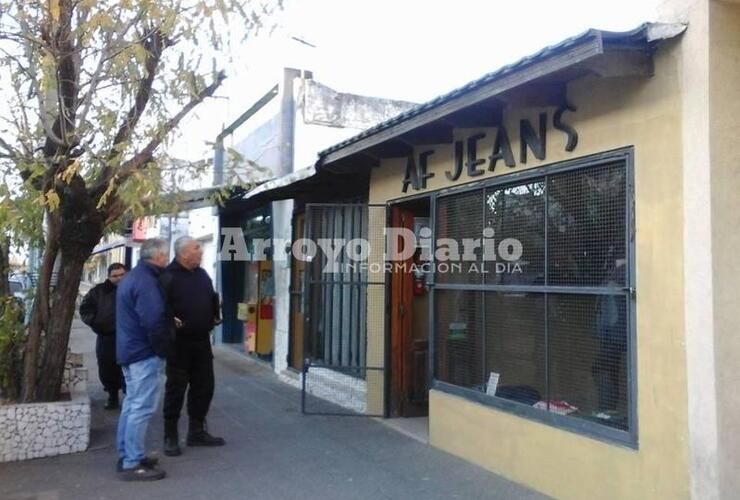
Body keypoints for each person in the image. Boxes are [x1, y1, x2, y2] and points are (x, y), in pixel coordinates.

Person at [160, 236, 224, 457]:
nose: (201, 251)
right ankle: (170, 435)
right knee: (176, 389)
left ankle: (196, 431)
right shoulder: (167, 277)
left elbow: (210, 297)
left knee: (204, 386)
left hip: (202, 341)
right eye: (197, 248)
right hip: (179, 344)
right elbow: (160, 309)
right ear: (183, 253)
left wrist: (214, 314)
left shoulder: (202, 274)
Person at [115, 238, 173, 481]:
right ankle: (132, 461)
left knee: (132, 405)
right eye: (166, 254)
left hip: (130, 350)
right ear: (159, 256)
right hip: (144, 353)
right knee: (141, 407)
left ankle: (128, 453)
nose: (167, 258)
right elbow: (153, 320)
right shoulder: (147, 281)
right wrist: (163, 349)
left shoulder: (133, 277)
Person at [79, 263, 127, 410]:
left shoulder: (133, 289)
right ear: (109, 277)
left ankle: (129, 398)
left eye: (122, 275)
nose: (119, 278)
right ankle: (112, 396)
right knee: (107, 367)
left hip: (129, 337)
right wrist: (96, 322)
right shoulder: (98, 291)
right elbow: (85, 309)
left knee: (128, 367)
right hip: (107, 337)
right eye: (115, 276)